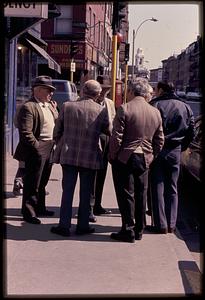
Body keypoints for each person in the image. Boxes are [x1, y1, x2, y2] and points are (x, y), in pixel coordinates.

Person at [50, 80, 111, 237]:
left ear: (83, 91)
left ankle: (64, 226)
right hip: (90, 156)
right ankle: (83, 225)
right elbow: (108, 131)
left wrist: (61, 142)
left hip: (69, 155)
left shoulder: (67, 106)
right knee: (86, 193)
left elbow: (57, 131)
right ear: (97, 94)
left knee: (67, 191)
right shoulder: (101, 110)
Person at [108, 78, 164, 243]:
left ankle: (128, 230)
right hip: (144, 157)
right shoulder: (155, 112)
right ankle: (139, 229)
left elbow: (116, 137)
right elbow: (159, 140)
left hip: (125, 156)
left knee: (126, 194)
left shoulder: (125, 108)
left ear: (132, 91)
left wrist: (113, 155)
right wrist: (152, 155)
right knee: (141, 193)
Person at [146, 81, 195, 234]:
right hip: (175, 150)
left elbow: (148, 127)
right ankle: (171, 224)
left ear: (160, 90)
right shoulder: (185, 107)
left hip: (158, 150)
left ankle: (160, 224)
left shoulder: (154, 105)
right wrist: (183, 147)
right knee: (172, 188)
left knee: (157, 186)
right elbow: (191, 131)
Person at [13, 75, 59, 224]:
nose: (51, 93)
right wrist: (37, 147)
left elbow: (57, 122)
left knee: (43, 181)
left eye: (51, 90)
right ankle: (29, 212)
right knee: (33, 182)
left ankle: (40, 207)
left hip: (50, 145)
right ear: (37, 90)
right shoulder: (29, 106)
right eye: (48, 90)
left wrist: (54, 110)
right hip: (38, 147)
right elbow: (26, 132)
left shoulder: (49, 105)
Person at [89, 75, 116, 223]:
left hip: (106, 140)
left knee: (102, 174)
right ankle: (90, 206)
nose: (103, 93)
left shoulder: (109, 103)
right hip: (93, 140)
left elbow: (113, 120)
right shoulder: (90, 102)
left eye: (106, 90)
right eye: (102, 90)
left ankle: (97, 204)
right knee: (91, 175)